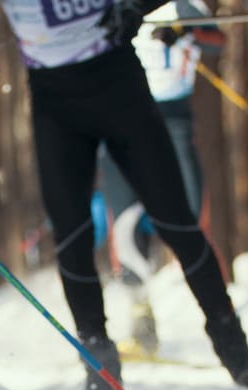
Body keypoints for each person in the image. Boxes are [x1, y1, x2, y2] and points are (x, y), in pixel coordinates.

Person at [0, 0, 248, 390]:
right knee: (72, 238)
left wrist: (133, 8)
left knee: (177, 223)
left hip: (120, 89)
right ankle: (99, 366)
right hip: (55, 108)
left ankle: (233, 346)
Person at [93, 1, 225, 356]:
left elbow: (216, 39)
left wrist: (184, 31)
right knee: (126, 217)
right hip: (123, 114)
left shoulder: (185, 5)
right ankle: (139, 313)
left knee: (190, 213)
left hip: (174, 118)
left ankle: (222, 327)